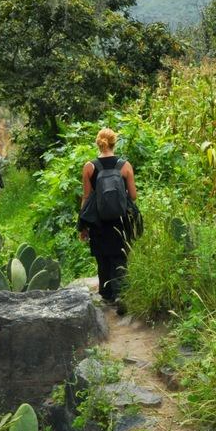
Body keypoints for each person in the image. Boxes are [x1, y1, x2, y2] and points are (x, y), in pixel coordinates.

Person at [79, 128, 138, 309]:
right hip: (120, 220)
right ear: (114, 143)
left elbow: (87, 198)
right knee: (119, 256)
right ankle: (120, 293)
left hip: (98, 221)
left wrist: (82, 225)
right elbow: (133, 196)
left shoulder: (89, 167)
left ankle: (106, 296)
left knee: (102, 257)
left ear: (98, 143)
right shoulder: (125, 166)